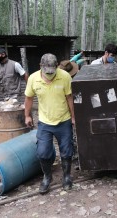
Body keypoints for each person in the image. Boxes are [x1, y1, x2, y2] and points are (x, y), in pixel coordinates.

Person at [24, 53, 75, 193]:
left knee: (67, 151)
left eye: (53, 71)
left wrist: (73, 117)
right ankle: (47, 177)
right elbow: (28, 98)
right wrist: (27, 115)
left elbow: (69, 97)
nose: (50, 74)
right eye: (47, 72)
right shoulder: (33, 79)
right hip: (45, 122)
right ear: (41, 66)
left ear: (57, 65)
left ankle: (66, 177)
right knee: (43, 152)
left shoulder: (65, 76)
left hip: (63, 120)